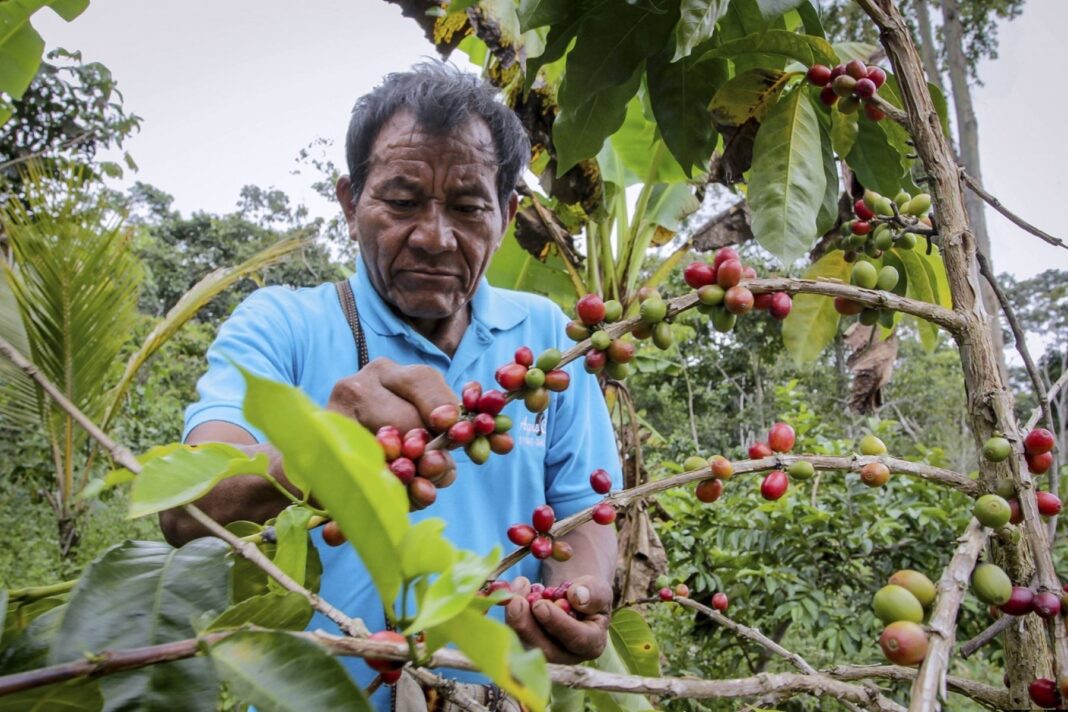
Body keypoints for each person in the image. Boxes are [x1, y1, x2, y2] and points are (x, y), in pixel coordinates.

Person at [161, 63, 622, 709]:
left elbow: (584, 510)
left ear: (507, 212)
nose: (435, 237)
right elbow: (185, 507)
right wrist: (318, 455)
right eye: (402, 202)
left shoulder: (547, 340)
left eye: (468, 208)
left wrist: (581, 590)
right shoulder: (282, 325)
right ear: (351, 203)